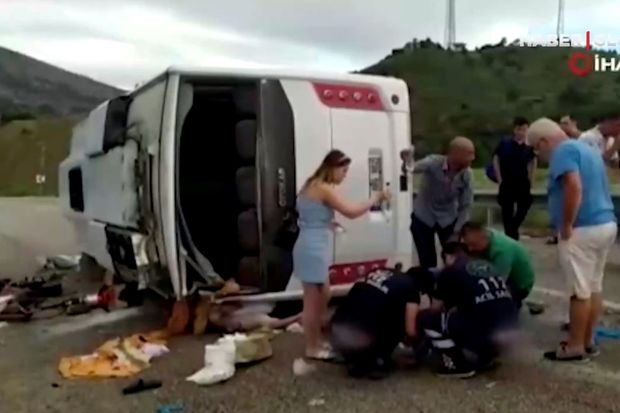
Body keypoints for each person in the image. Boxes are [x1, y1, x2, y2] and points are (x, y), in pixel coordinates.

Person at [527, 117, 617, 362]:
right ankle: (588, 341)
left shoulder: (563, 152)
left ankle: (574, 346)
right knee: (594, 286)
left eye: (536, 149)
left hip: (582, 228)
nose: (539, 155)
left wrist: (566, 223)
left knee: (579, 290)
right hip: (605, 223)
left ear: (543, 141)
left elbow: (573, 186)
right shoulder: (586, 149)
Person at [293, 149, 390, 360]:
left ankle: (317, 339)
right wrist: (375, 198)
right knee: (312, 302)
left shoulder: (311, 185)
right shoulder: (323, 188)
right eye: (344, 171)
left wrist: (328, 223)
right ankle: (312, 346)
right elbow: (351, 211)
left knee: (323, 295)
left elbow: (311, 216)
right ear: (333, 168)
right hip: (313, 248)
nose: (344, 176)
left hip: (312, 245)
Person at [418, 242, 518, 378]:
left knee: (427, 318)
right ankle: (487, 356)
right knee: (480, 312)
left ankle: (456, 365)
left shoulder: (451, 270)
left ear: (448, 256)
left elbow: (435, 309)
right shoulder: (488, 266)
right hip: (510, 330)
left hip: (485, 332)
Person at [329, 266, 431, 379]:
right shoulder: (411, 287)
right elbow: (410, 330)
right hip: (363, 337)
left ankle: (356, 358)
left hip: (339, 331)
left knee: (375, 307)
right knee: (400, 316)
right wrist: (422, 341)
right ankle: (378, 360)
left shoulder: (380, 271)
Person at [410, 136, 475, 269]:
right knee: (427, 261)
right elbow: (411, 168)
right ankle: (428, 280)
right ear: (455, 154)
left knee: (453, 259)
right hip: (424, 215)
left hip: (448, 218)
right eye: (468, 154)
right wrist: (408, 159)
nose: (472, 158)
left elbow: (466, 205)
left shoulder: (467, 175)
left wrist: (457, 232)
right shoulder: (433, 162)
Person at [460, 222, 535, 310]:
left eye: (473, 244)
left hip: (520, 285)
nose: (470, 248)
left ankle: (511, 303)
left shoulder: (502, 251)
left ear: (482, 236)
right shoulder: (488, 235)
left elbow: (499, 282)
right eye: (467, 244)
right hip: (505, 275)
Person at [492, 117, 536, 240]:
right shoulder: (505, 143)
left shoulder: (529, 146)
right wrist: (499, 178)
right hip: (507, 181)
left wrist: (531, 179)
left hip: (522, 182)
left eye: (524, 129)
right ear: (514, 130)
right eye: (519, 129)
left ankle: (513, 229)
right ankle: (510, 236)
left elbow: (532, 162)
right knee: (507, 211)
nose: (522, 132)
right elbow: (496, 158)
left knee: (524, 206)